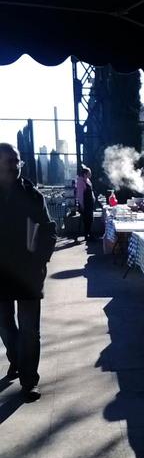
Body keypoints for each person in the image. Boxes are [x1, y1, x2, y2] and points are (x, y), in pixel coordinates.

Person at [0, 143, 57, 401]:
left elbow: (48, 230)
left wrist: (40, 261)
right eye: (9, 161)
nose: (14, 166)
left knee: (30, 329)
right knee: (4, 325)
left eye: (17, 160)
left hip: (27, 273)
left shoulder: (32, 196)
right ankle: (16, 358)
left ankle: (29, 380)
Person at [76, 165, 96, 241]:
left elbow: (91, 191)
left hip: (90, 203)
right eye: (89, 173)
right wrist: (82, 205)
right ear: (85, 174)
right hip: (85, 204)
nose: (90, 174)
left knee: (91, 219)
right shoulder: (80, 181)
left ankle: (89, 234)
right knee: (86, 220)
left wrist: (93, 198)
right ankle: (87, 235)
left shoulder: (88, 180)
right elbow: (80, 195)